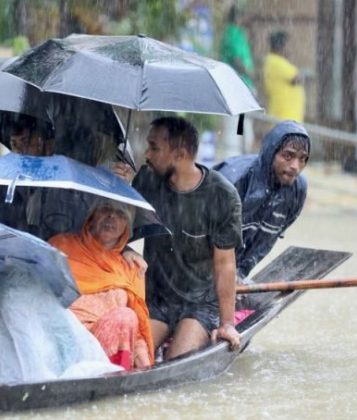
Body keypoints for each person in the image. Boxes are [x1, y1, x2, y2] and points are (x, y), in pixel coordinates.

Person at [114, 116, 243, 360]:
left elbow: (225, 264)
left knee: (177, 363)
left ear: (180, 154)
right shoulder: (146, 181)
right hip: (157, 300)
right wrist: (118, 189)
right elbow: (114, 230)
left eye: (154, 148)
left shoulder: (222, 196)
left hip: (200, 305)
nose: (147, 155)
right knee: (129, 360)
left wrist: (227, 324)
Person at [48, 200, 153, 370]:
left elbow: (137, 331)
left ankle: (116, 383)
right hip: (63, 340)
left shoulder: (133, 267)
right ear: (92, 216)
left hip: (107, 351)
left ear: (127, 226)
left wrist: (145, 370)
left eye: (120, 213)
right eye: (105, 209)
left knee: (125, 317)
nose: (111, 216)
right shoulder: (61, 246)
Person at [214, 120, 310, 282]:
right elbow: (200, 240)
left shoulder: (297, 189)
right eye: (288, 156)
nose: (295, 166)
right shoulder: (234, 182)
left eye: (302, 159)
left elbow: (267, 239)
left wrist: (241, 272)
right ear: (271, 152)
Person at [219, 5, 255, 157]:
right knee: (237, 129)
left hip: (240, 87)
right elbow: (237, 60)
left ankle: (239, 158)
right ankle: (235, 161)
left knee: (242, 128)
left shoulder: (236, 34)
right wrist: (250, 74)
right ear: (240, 17)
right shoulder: (233, 34)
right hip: (237, 88)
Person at [263, 31, 305, 122]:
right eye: (288, 45)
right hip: (284, 116)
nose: (290, 49)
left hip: (287, 117)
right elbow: (297, 78)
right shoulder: (276, 62)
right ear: (280, 47)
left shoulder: (277, 62)